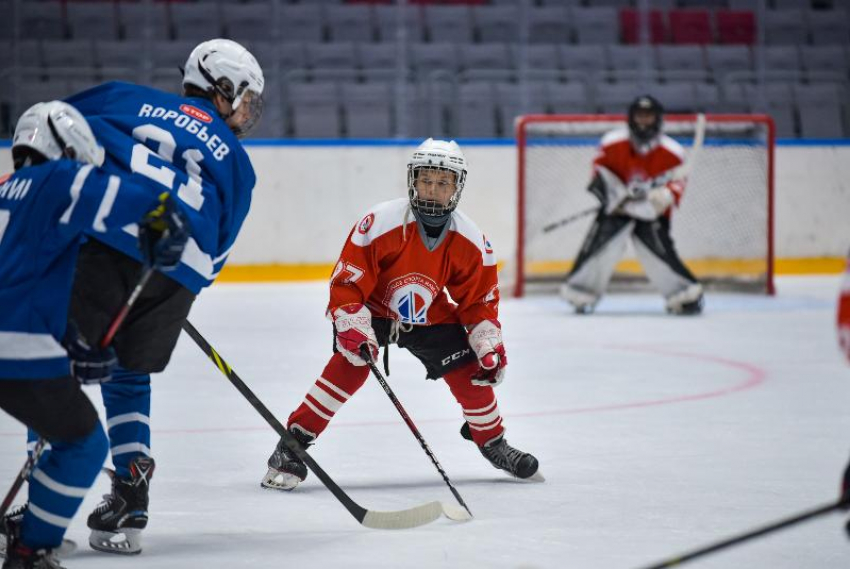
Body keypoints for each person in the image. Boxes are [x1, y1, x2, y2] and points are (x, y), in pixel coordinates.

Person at [17, 38, 263, 556]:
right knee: (128, 370)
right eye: (244, 98)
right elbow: (216, 253)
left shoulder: (121, 97)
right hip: (177, 270)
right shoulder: (239, 163)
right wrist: (170, 286)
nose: (245, 111)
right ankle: (131, 488)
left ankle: (41, 508)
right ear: (223, 88)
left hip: (102, 240)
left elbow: (55, 130)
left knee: (52, 368)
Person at [259, 138, 541, 492]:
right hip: (373, 313)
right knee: (349, 366)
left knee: (473, 373)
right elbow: (348, 283)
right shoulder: (380, 222)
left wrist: (487, 343)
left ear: (456, 187)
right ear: (413, 180)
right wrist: (352, 323)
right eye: (426, 180)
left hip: (431, 318)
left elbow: (477, 303)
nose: (433, 190)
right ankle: (292, 445)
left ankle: (492, 442)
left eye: (443, 183)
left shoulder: (471, 240)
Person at [0, 101, 189, 569]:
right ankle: (32, 548)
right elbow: (126, 199)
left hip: (25, 333)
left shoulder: (9, 190)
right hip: (13, 345)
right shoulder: (58, 180)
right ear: (65, 148)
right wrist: (163, 213)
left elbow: (28, 273)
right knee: (83, 444)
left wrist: (71, 339)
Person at [559, 95, 704, 315]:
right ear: (630, 118)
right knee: (601, 244)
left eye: (649, 116)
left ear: (657, 119)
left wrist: (664, 196)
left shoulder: (672, 152)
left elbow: (678, 182)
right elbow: (598, 172)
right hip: (618, 207)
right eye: (640, 115)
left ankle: (684, 294)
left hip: (651, 212)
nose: (644, 121)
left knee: (658, 250)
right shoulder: (612, 143)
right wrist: (613, 196)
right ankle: (581, 292)